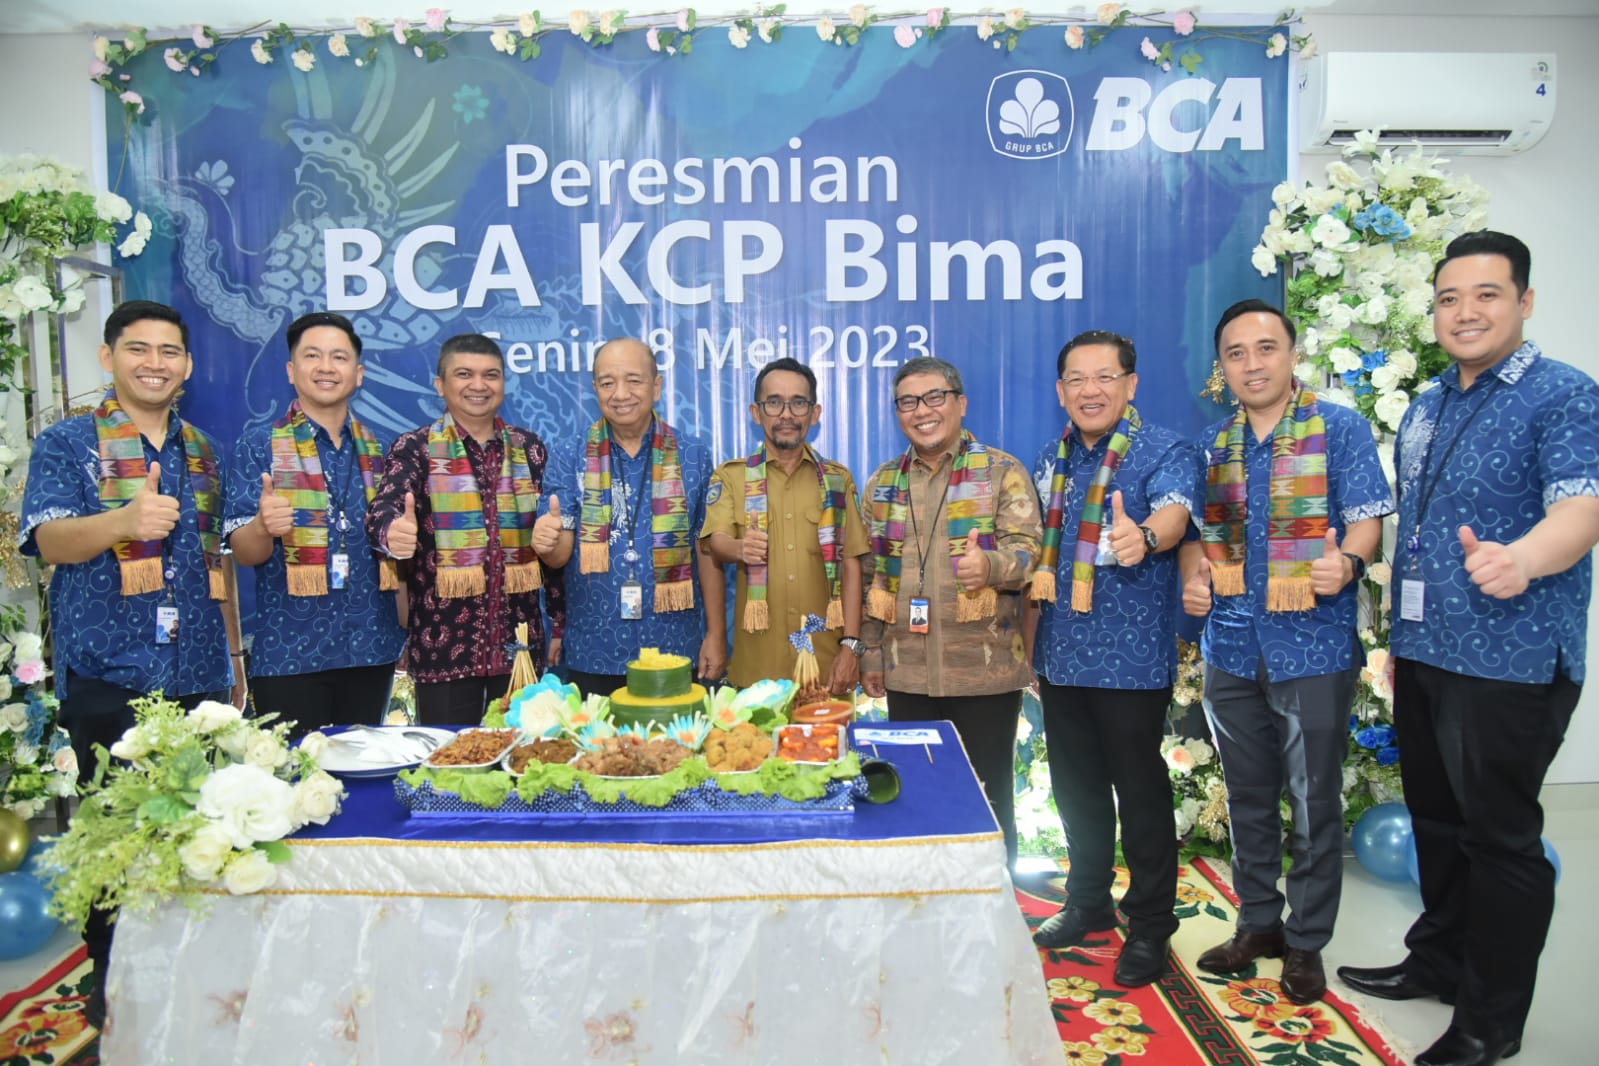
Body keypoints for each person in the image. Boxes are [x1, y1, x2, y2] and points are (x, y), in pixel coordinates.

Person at [1336, 232, 1599, 1066]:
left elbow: (1582, 508)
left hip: (1509, 657)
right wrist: (1395, 632)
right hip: (1426, 650)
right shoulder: (1428, 404)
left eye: (1486, 294)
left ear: (1524, 301)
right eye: (1449, 298)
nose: (1465, 312)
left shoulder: (1565, 395)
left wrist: (1523, 559)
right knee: (1437, 824)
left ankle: (1490, 1022)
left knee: (1500, 841)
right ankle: (1438, 962)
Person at [19, 299, 244, 1027]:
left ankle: (194, 976)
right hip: (109, 672)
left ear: (188, 366)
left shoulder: (203, 451)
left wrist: (234, 662)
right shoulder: (67, 443)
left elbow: (217, 565)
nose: (155, 363)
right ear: (107, 357)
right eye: (138, 349)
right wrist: (122, 521)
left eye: (169, 351)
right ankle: (112, 978)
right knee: (114, 837)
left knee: (200, 837)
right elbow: (48, 541)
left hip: (198, 673)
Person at [1180, 299, 1392, 1005]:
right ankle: (1258, 925)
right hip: (1232, 648)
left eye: (1265, 348)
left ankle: (1306, 942)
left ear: (1292, 353)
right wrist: (1196, 580)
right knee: (1245, 796)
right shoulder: (1214, 445)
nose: (1252, 364)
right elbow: (1200, 542)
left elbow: (1365, 523)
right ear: (1223, 367)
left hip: (1313, 646)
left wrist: (1347, 564)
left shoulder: (1339, 428)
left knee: (1311, 800)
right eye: (1236, 353)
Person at [1023, 331, 1203, 987]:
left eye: (1104, 377)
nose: (1090, 390)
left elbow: (1176, 514)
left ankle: (1151, 924)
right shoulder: (1051, 459)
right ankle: (1089, 901)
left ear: (1130, 384)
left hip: (1130, 660)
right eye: (1076, 379)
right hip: (1061, 655)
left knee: (1140, 792)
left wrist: (1144, 536)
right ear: (1060, 391)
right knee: (1075, 789)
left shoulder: (1165, 450)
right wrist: (1028, 648)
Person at [860, 355, 1041, 870]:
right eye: (908, 402)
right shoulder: (883, 484)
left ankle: (994, 901)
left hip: (983, 672)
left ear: (961, 404)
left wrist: (992, 565)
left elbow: (1030, 554)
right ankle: (925, 900)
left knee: (988, 798)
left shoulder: (1002, 472)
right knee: (915, 796)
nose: (922, 411)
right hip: (907, 672)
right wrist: (870, 651)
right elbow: (872, 575)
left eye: (934, 397)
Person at [365, 333, 562, 724]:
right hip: (443, 647)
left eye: (490, 375)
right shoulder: (415, 448)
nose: (478, 385)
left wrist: (560, 623)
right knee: (449, 757)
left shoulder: (530, 449)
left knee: (519, 755)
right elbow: (383, 511)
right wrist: (391, 533)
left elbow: (550, 544)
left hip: (519, 645)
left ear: (503, 383)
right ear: (440, 385)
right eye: (464, 374)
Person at [226, 311, 406, 738]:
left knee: (363, 771)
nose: (326, 367)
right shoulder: (259, 446)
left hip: (371, 649)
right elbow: (245, 553)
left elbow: (397, 558)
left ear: (358, 374)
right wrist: (262, 526)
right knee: (296, 774)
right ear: (291, 371)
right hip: (291, 653)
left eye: (339, 357)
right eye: (312, 356)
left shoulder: (383, 450)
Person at [544, 337, 722, 694]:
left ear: (656, 386)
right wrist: (547, 542)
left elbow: (706, 550)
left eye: (634, 380)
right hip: (594, 650)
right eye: (607, 383)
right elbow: (558, 556)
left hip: (674, 646)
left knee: (677, 733)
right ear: (595, 389)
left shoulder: (692, 455)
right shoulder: (568, 454)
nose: (620, 394)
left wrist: (716, 634)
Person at [700, 358, 868, 692]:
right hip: (758, 667)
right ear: (756, 412)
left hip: (826, 666)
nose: (786, 414)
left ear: (815, 413)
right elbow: (714, 543)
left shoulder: (836, 480)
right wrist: (739, 548)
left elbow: (851, 564)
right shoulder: (732, 477)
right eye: (774, 403)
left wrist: (851, 647)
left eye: (798, 403)